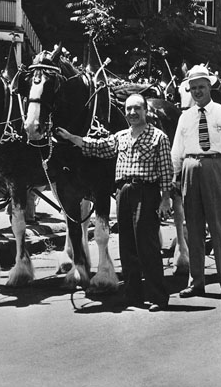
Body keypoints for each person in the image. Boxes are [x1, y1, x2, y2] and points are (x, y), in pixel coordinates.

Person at [56, 93, 173, 312]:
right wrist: (73, 138)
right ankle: (133, 294)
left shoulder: (159, 138)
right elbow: (97, 147)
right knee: (127, 247)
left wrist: (166, 199)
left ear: (146, 111)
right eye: (129, 109)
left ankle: (158, 296)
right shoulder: (120, 137)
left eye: (137, 109)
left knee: (146, 245)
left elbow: (167, 171)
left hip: (145, 192)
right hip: (122, 192)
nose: (132, 113)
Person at [171, 65, 221, 299]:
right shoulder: (184, 117)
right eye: (193, 88)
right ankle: (196, 282)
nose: (197, 92)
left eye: (201, 87)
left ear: (210, 86)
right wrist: (175, 174)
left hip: (217, 167)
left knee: (220, 227)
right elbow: (177, 149)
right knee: (192, 229)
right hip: (190, 168)